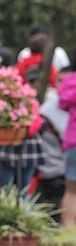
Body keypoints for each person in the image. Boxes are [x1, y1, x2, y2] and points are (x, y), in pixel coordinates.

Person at [58, 68, 76, 227]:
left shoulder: (71, 82)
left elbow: (62, 104)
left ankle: (69, 235)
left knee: (71, 191)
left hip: (73, 140)